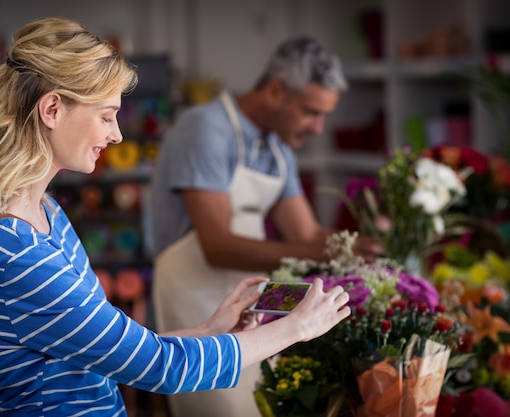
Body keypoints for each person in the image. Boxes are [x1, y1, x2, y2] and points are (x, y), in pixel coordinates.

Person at [0, 17, 351, 417]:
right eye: (106, 115)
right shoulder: (19, 253)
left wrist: (209, 330)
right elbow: (163, 368)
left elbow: (106, 351)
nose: (117, 134)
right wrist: (297, 328)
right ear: (52, 108)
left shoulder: (38, 213)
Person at [150, 36, 383, 417]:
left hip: (249, 303)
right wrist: (326, 251)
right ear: (276, 92)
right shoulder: (206, 129)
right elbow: (217, 246)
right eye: (311, 112)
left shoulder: (278, 149)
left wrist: (366, 250)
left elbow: (306, 235)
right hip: (193, 304)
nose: (319, 128)